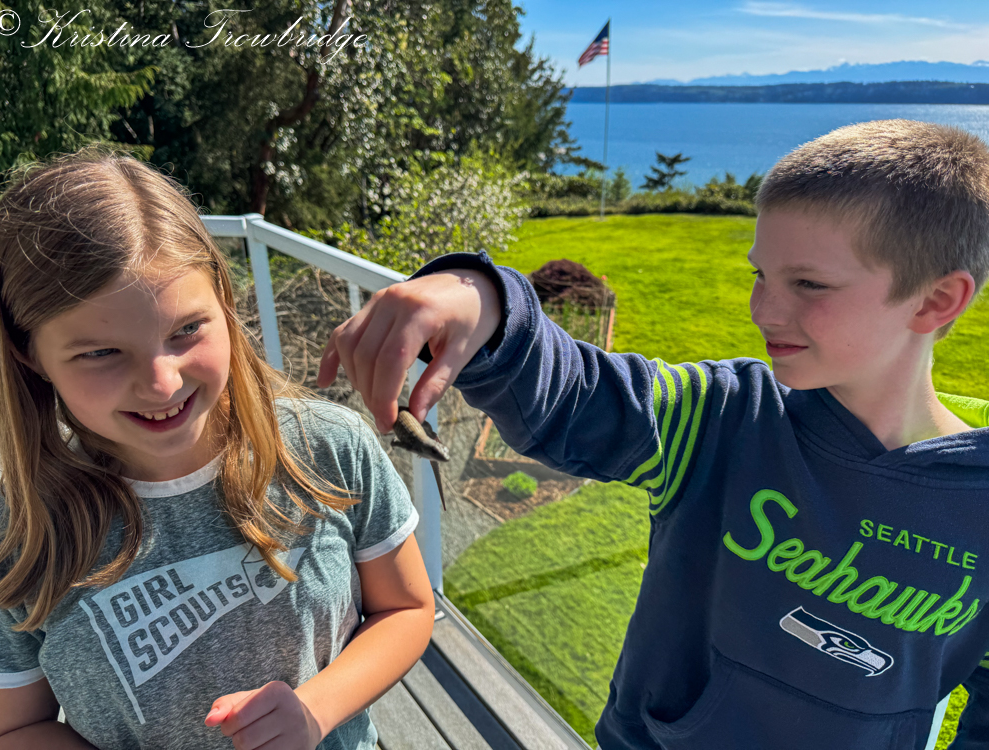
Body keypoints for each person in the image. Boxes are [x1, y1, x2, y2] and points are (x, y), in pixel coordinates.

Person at [318, 119, 989, 749]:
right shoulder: (724, 418)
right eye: (760, 274)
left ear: (936, 300)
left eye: (808, 283)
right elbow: (579, 396)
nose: (762, 309)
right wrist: (483, 300)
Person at [0, 150, 435, 750]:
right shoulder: (15, 537)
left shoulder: (329, 447)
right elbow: (14, 728)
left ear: (224, 302)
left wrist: (315, 711)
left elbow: (406, 608)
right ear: (29, 354)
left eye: (186, 330)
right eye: (100, 352)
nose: (162, 383)